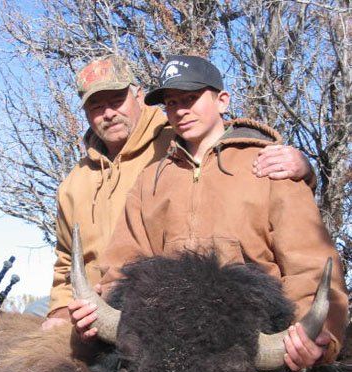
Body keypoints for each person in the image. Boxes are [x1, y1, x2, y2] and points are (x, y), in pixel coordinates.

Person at [71, 55, 351, 372]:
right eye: (170, 102)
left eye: (190, 98)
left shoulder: (270, 167)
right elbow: (123, 267)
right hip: (170, 353)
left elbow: (312, 267)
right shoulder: (150, 181)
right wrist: (99, 310)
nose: (180, 110)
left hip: (240, 352)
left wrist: (317, 338)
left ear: (222, 100)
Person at [42, 54, 314, 330]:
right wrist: (62, 312)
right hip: (111, 319)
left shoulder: (178, 139)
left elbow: (222, 142)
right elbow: (67, 259)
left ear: (138, 96)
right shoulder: (75, 183)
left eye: (116, 100)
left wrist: (303, 168)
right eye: (96, 106)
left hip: (222, 322)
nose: (108, 113)